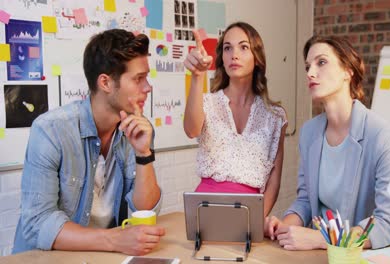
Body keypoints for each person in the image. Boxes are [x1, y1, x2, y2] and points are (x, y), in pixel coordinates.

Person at [13, 29, 165, 255]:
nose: (148, 87)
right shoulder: (50, 130)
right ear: (105, 82)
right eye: (138, 79)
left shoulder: (138, 130)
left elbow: (142, 213)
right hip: (48, 258)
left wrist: (144, 154)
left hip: (102, 256)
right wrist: (115, 241)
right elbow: (38, 223)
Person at [265, 35, 390, 250]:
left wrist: (322, 240)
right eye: (307, 66)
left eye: (321, 62)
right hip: (311, 254)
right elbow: (305, 201)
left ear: (348, 71)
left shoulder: (382, 136)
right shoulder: (309, 133)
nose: (310, 73)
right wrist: (284, 226)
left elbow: (389, 221)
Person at [183, 22, 287, 217]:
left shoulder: (275, 115)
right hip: (203, 210)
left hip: (248, 214)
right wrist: (197, 76)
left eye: (243, 47)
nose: (234, 54)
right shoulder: (207, 102)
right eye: (227, 48)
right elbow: (191, 130)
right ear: (222, 57)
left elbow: (274, 179)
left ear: (257, 58)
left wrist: (256, 222)